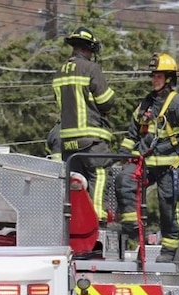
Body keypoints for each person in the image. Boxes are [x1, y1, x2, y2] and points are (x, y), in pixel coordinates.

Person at [117, 53, 179, 263]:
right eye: (153, 75)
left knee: (168, 206)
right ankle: (132, 226)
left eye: (159, 76)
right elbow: (132, 134)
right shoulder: (146, 103)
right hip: (145, 163)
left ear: (169, 78)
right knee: (123, 180)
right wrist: (122, 155)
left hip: (169, 165)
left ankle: (168, 250)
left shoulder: (178, 104)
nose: (154, 79)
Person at [52, 26, 116, 222]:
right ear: (89, 49)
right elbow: (106, 101)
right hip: (91, 140)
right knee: (99, 173)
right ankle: (96, 217)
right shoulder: (91, 68)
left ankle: (76, 220)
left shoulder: (59, 72)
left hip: (68, 142)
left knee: (76, 183)